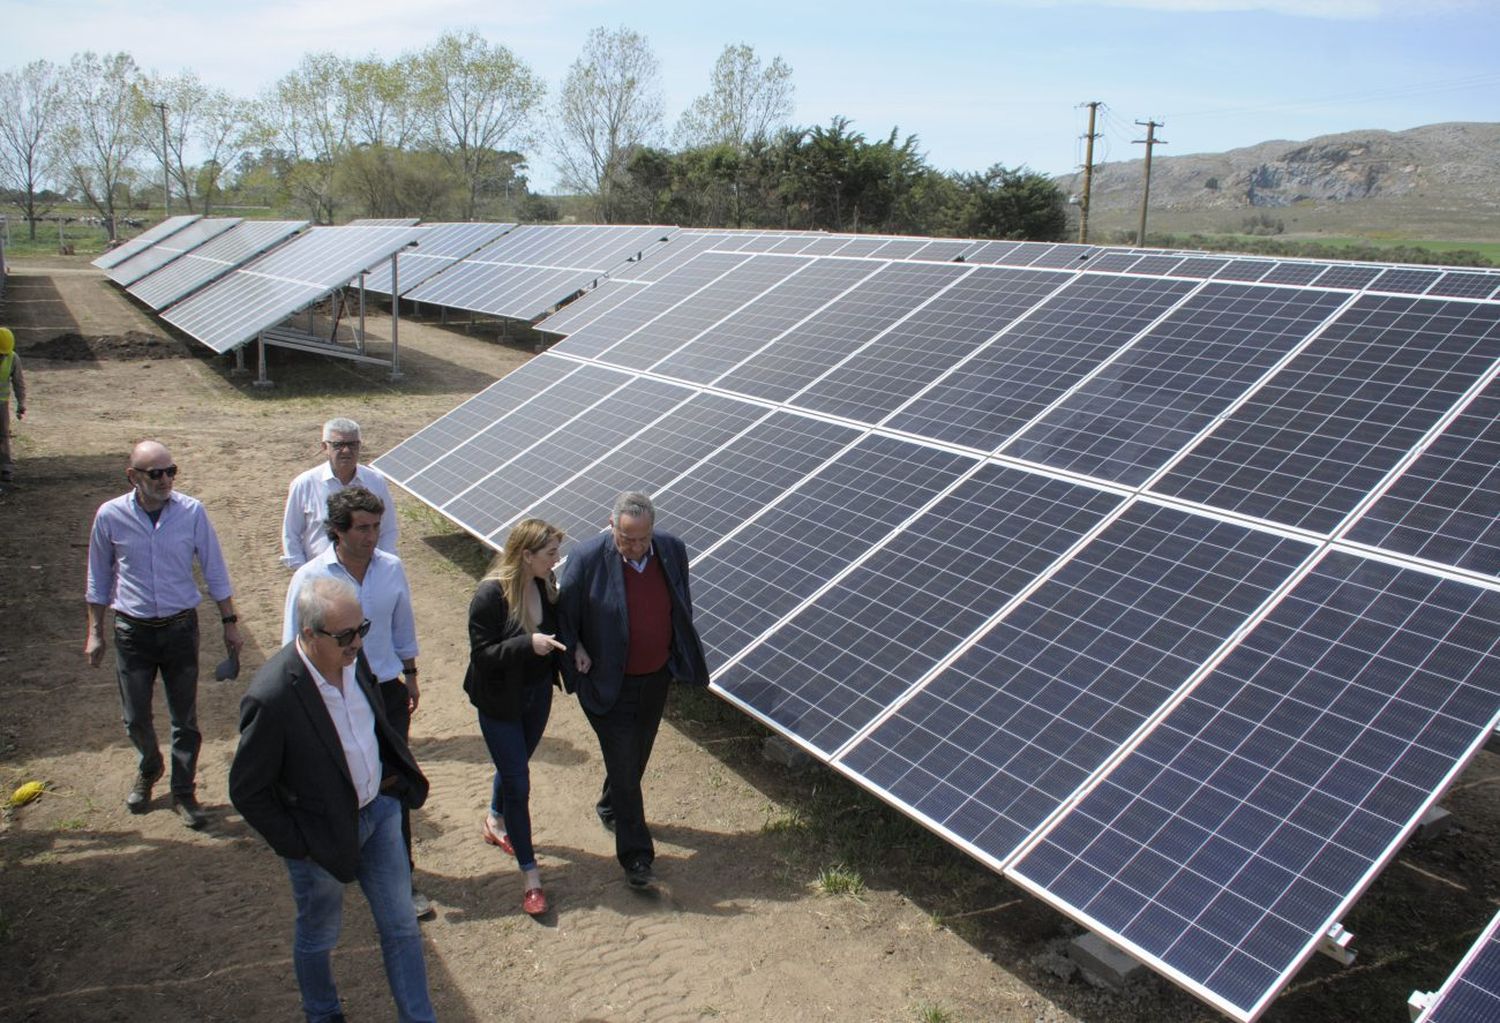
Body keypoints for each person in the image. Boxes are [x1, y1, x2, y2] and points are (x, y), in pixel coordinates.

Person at [231, 576, 435, 1023]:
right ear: (308, 634)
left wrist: (389, 782)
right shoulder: (274, 697)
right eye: (345, 635)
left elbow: (373, 727)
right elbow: (247, 789)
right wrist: (298, 844)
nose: (357, 642)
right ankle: (322, 1014)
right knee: (319, 933)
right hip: (319, 836)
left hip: (378, 815)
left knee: (402, 927)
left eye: (361, 629)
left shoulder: (353, 661)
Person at [282, 487, 432, 921]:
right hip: (335, 694)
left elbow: (402, 623)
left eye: (375, 527)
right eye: (362, 528)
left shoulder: (391, 569)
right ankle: (340, 866)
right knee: (341, 782)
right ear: (337, 530)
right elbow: (292, 641)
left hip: (384, 690)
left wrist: (410, 673)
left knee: (393, 784)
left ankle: (402, 879)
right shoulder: (311, 577)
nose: (371, 536)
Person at [84, 440, 243, 828]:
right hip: (132, 631)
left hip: (179, 629)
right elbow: (98, 576)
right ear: (132, 476)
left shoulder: (191, 512)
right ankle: (150, 765)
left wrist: (229, 623)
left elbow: (214, 568)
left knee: (183, 717)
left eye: (172, 471)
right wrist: (95, 631)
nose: (166, 479)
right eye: (156, 473)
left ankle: (184, 790)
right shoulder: (110, 517)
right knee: (135, 715)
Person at [557, 491, 709, 889]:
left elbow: (681, 604)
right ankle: (637, 858)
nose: (635, 546)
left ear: (653, 531)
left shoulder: (672, 551)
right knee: (625, 767)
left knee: (637, 756)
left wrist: (678, 656)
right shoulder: (587, 559)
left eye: (642, 538)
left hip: (655, 678)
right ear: (612, 528)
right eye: (626, 538)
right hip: (608, 684)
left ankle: (610, 806)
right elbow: (565, 617)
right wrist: (577, 649)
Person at [464, 518, 567, 915]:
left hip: (536, 696)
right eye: (550, 553)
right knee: (519, 784)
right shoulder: (490, 596)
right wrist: (527, 644)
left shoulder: (544, 584)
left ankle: (494, 821)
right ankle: (531, 877)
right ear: (526, 555)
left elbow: (559, 630)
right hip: (500, 702)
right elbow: (483, 656)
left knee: (514, 766)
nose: (556, 560)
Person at [282, 417, 397, 570]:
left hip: (367, 573)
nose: (346, 451)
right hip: (320, 576)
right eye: (338, 445)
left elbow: (387, 529)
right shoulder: (305, 484)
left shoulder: (375, 482)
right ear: (324, 447)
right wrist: (302, 572)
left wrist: (381, 568)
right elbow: (291, 533)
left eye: (352, 444)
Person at [0, 326, 28, 483]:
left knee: (3, 435)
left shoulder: (13, 358)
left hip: (1, 403)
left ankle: (5, 468)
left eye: (4, 354)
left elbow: (18, 383)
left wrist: (21, 402)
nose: (2, 357)